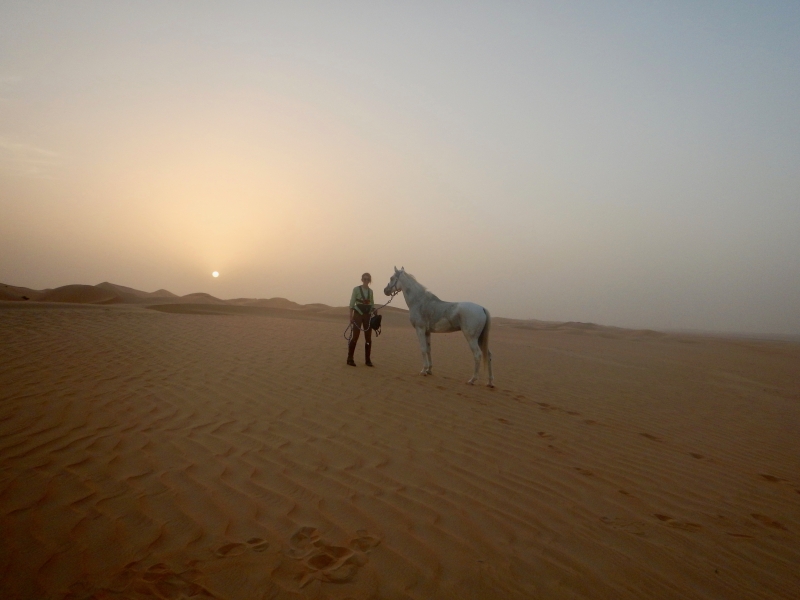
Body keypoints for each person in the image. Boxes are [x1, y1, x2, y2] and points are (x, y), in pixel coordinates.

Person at [347, 272, 374, 367]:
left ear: (369, 281)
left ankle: (368, 360)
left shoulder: (371, 292)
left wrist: (374, 311)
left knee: (368, 338)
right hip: (358, 314)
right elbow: (352, 304)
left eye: (368, 279)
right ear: (362, 279)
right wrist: (350, 317)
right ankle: (350, 358)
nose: (366, 280)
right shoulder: (356, 289)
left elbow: (372, 304)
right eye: (364, 279)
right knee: (355, 337)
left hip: (367, 316)